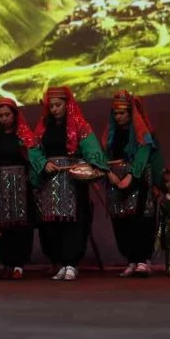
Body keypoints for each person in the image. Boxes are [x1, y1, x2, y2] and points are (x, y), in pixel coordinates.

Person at [31, 86, 108, 281]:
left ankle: (72, 263)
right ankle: (61, 262)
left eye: (58, 105)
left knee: (74, 222)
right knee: (54, 223)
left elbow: (91, 147)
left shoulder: (79, 124)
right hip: (51, 181)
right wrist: (43, 163)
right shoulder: (43, 126)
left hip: (72, 180)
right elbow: (34, 149)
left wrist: (93, 165)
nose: (55, 109)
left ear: (67, 104)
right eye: (52, 106)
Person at [101, 90, 162, 278]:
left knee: (141, 219)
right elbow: (105, 155)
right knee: (121, 221)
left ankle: (143, 260)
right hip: (115, 180)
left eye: (122, 113)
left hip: (138, 180)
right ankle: (131, 260)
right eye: (116, 113)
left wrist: (131, 176)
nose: (118, 117)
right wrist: (108, 173)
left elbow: (144, 153)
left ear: (130, 113)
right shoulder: (111, 133)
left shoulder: (140, 132)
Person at [0, 97, 42, 279]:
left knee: (22, 225)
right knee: (3, 225)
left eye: (7, 114)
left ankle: (19, 264)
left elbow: (34, 159)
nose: (4, 118)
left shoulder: (24, 137)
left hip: (20, 185)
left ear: (15, 115)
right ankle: (7, 262)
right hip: (0, 187)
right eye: (1, 115)